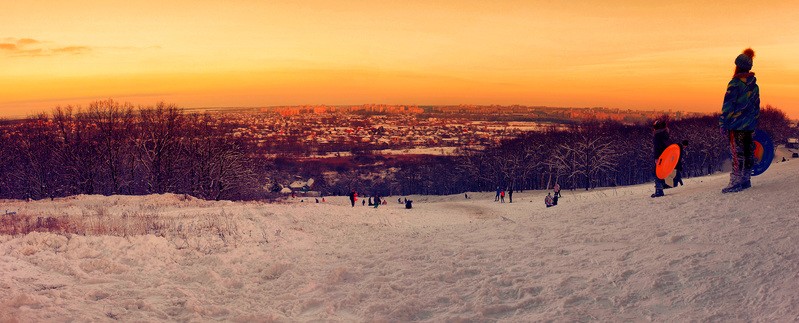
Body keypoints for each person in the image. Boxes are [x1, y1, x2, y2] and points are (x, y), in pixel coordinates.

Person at [720, 48, 760, 193]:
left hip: (736, 126)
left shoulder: (735, 84)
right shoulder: (754, 86)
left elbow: (728, 106)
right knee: (748, 152)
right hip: (749, 126)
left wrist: (723, 123)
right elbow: (756, 107)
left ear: (738, 66)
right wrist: (753, 122)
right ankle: (746, 180)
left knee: (737, 153)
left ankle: (735, 182)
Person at [651, 119, 670, 198]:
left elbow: (657, 147)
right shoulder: (666, 134)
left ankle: (659, 190)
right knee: (661, 171)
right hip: (666, 155)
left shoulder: (657, 135)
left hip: (660, 156)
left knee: (656, 173)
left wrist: (656, 157)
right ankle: (663, 185)